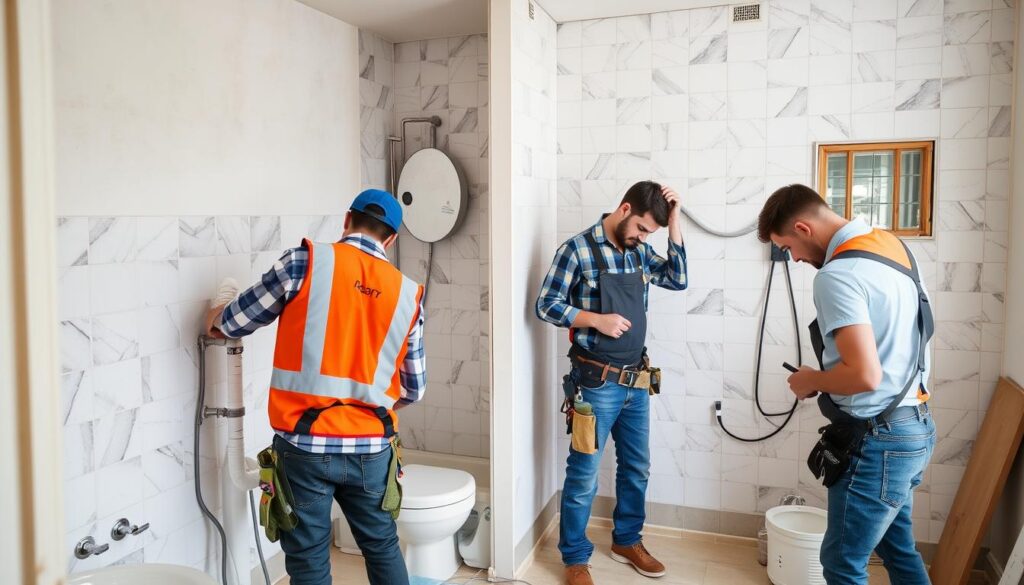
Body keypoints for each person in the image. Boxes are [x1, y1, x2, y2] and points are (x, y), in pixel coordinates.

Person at [205, 189, 425, 585]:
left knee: (308, 558)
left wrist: (215, 314)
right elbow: (414, 389)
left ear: (346, 220)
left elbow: (233, 323)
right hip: (372, 448)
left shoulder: (305, 261)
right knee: (381, 545)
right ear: (390, 239)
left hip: (304, 446)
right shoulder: (408, 294)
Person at [757, 184, 935, 584]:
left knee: (841, 565)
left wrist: (812, 380)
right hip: (915, 425)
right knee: (898, 550)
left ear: (803, 228)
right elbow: (893, 350)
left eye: (788, 248)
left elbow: (866, 375)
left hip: (878, 439)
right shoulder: (893, 248)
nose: (796, 259)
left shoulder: (837, 275)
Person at [535, 181, 688, 585]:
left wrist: (674, 223)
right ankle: (574, 557)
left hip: (637, 379)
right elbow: (545, 304)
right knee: (584, 471)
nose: (642, 237)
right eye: (640, 227)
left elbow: (677, 279)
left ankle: (627, 539)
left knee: (637, 467)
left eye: (650, 232)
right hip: (596, 382)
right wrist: (595, 320)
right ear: (623, 209)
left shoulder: (639, 252)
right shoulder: (577, 250)